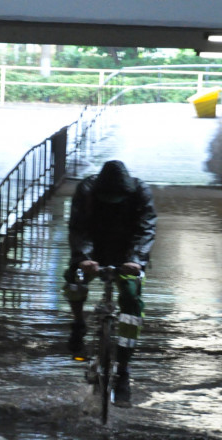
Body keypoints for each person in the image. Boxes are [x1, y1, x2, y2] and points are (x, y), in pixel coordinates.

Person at [64, 160, 157, 407]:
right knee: (74, 281)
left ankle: (124, 369)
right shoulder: (87, 190)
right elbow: (78, 227)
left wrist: (137, 260)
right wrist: (84, 258)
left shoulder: (139, 192)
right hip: (92, 253)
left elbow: (146, 228)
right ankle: (78, 323)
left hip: (128, 257)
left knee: (131, 302)